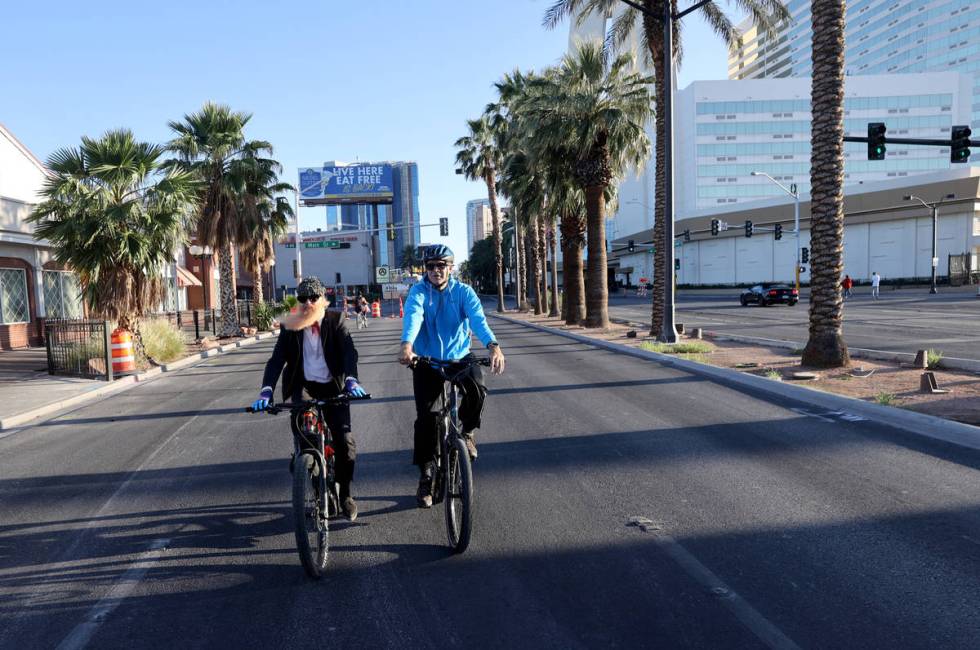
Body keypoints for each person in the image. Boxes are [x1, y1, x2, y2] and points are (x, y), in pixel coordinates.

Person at [250, 276, 368, 521]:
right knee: (307, 437)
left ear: (322, 299)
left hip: (334, 387)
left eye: (313, 298)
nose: (308, 303)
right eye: (302, 298)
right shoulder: (290, 324)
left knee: (345, 443)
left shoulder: (336, 321)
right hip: (304, 387)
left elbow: (349, 352)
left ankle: (345, 493)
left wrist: (351, 380)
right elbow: (277, 359)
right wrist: (266, 390)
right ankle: (314, 482)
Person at [398, 244, 505, 508]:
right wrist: (407, 346)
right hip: (427, 360)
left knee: (478, 389)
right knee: (427, 418)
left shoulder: (463, 292)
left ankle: (467, 432)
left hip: (459, 356)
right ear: (426, 269)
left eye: (441, 265)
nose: (436, 271)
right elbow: (413, 316)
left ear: (450, 267)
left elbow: (478, 319)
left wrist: (493, 345)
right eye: (431, 266)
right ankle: (426, 475)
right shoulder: (418, 291)